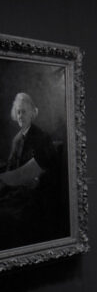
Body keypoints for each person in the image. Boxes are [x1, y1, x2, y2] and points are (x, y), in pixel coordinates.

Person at [0, 92, 62, 250]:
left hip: (36, 194)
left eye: (24, 111)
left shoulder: (42, 138)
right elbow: (11, 169)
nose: (20, 116)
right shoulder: (16, 139)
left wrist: (38, 180)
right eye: (18, 112)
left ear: (32, 113)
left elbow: (52, 172)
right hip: (16, 189)